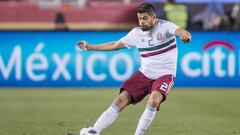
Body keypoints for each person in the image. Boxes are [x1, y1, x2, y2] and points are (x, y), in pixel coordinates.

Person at [76, 2, 191, 135]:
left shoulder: (165, 26)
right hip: (145, 74)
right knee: (121, 99)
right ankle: (94, 131)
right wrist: (90, 47)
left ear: (153, 17)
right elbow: (114, 45)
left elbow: (181, 31)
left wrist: (185, 36)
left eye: (145, 18)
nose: (141, 22)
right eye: (139, 19)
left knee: (154, 100)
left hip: (165, 75)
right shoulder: (136, 33)